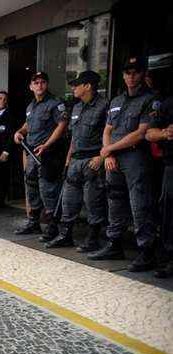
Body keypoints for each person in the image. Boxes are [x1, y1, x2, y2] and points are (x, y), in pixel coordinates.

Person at [88, 56, 159, 272]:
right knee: (115, 201)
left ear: (142, 74)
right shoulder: (116, 101)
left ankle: (146, 252)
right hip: (114, 159)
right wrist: (108, 154)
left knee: (139, 205)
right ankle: (114, 244)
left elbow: (141, 133)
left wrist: (109, 150)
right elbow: (107, 130)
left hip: (135, 158)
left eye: (135, 72)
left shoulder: (150, 100)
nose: (131, 76)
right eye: (127, 72)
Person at [46, 71, 108, 251]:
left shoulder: (104, 106)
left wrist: (102, 157)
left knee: (92, 201)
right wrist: (67, 161)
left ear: (88, 86)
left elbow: (109, 132)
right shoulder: (77, 107)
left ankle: (93, 239)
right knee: (68, 201)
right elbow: (74, 138)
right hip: (75, 160)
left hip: (92, 159)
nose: (73, 88)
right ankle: (66, 235)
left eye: (77, 84)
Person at [13, 71, 69, 241]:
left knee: (48, 189)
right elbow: (28, 124)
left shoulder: (55, 103)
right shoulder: (31, 106)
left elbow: (62, 125)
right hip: (32, 153)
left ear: (47, 84)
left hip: (49, 154)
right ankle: (33, 222)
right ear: (31, 86)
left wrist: (47, 144)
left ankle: (52, 226)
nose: (39, 85)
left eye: (42, 82)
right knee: (32, 187)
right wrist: (20, 132)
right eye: (36, 83)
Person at [146, 95, 173, 279]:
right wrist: (165, 133)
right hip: (171, 164)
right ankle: (169, 258)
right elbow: (149, 133)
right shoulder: (168, 103)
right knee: (169, 213)